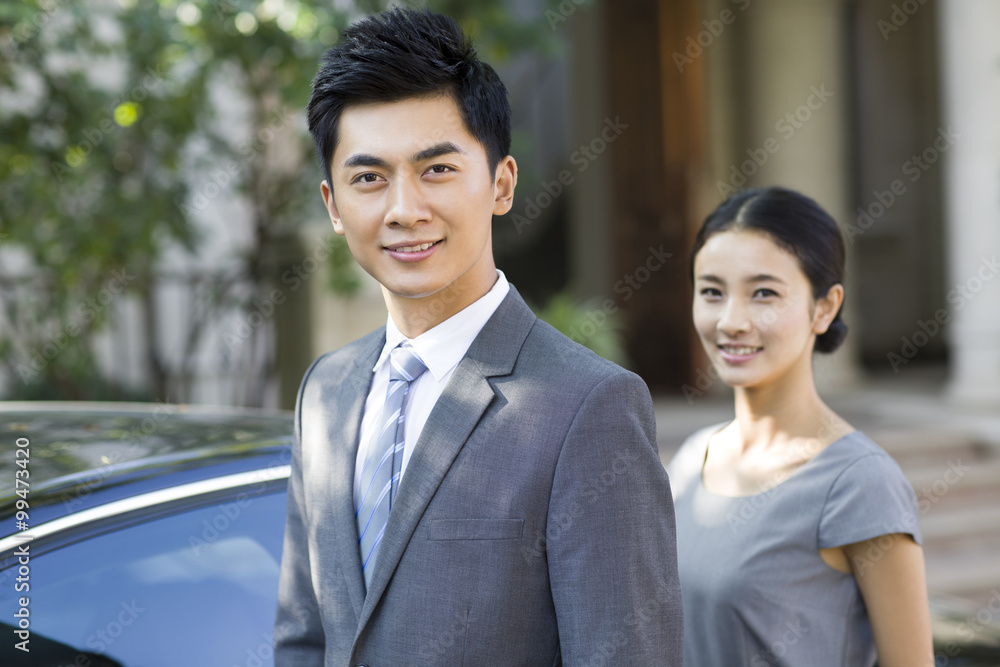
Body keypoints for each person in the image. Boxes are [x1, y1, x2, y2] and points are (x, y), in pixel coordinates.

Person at [274, 8, 683, 665]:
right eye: (369, 178)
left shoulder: (590, 408)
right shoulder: (325, 391)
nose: (405, 209)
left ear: (501, 183)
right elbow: (304, 638)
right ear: (332, 206)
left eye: (436, 169)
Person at [666, 186, 932, 666]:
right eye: (711, 292)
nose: (731, 321)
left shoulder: (858, 483)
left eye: (764, 293)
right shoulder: (691, 459)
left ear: (825, 307)